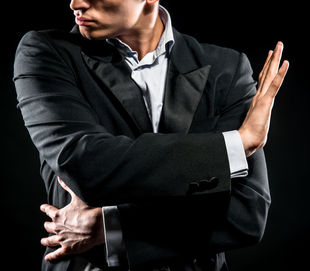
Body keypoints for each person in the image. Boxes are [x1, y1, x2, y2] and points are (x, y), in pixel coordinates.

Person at [13, 0, 289, 270]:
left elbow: (246, 214)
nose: (75, 3)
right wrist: (234, 147)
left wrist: (110, 228)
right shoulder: (46, 53)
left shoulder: (225, 69)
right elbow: (87, 165)